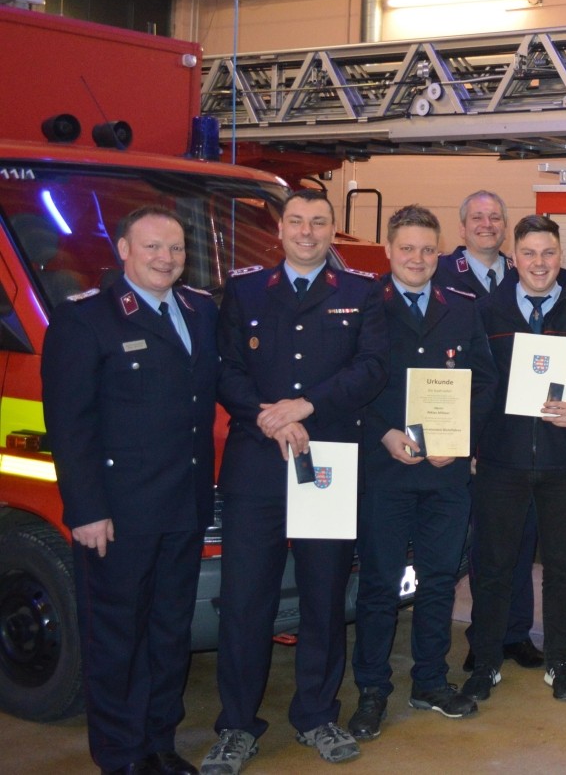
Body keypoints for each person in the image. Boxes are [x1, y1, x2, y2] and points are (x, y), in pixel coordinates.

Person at [204, 190, 386, 773]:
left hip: (327, 461)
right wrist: (269, 416)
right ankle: (237, 725)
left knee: (324, 595)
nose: (307, 232)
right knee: (244, 601)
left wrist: (306, 406)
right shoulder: (245, 291)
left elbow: (372, 368)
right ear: (279, 230)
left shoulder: (361, 292)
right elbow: (225, 369)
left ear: (333, 230)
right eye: (297, 221)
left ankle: (316, 715)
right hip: (257, 462)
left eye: (319, 222)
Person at [42, 207, 217, 775]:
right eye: (152, 247)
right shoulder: (86, 320)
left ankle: (159, 743)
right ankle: (120, 755)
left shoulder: (201, 311)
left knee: (169, 633)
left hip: (184, 505)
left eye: (176, 248)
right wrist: (86, 509)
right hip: (118, 514)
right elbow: (70, 424)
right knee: (117, 638)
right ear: (122, 249)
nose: (166, 258)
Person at [346, 206, 497, 741]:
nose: (417, 258)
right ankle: (372, 689)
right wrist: (383, 433)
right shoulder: (365, 305)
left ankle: (430, 681)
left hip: (445, 475)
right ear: (388, 250)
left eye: (427, 249)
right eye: (407, 248)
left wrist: (460, 439)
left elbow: (484, 381)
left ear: (440, 253)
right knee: (379, 586)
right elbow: (348, 383)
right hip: (385, 471)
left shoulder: (461, 308)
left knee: (438, 583)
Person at [466, 214, 566, 703]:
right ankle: (485, 662)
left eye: (548, 253)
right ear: (513, 258)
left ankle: (559, 661)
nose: (539, 262)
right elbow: (472, 383)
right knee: (493, 566)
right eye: (529, 253)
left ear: (561, 257)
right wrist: (470, 444)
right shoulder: (485, 313)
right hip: (500, 461)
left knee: (563, 567)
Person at [442, 190, 547, 675]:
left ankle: (516, 632)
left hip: (521, 434)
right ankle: (483, 635)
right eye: (477, 217)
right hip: (467, 430)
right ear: (462, 226)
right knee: (483, 548)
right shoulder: (441, 274)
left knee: (521, 541)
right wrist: (463, 438)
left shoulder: (526, 271)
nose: (487, 224)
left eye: (495, 217)